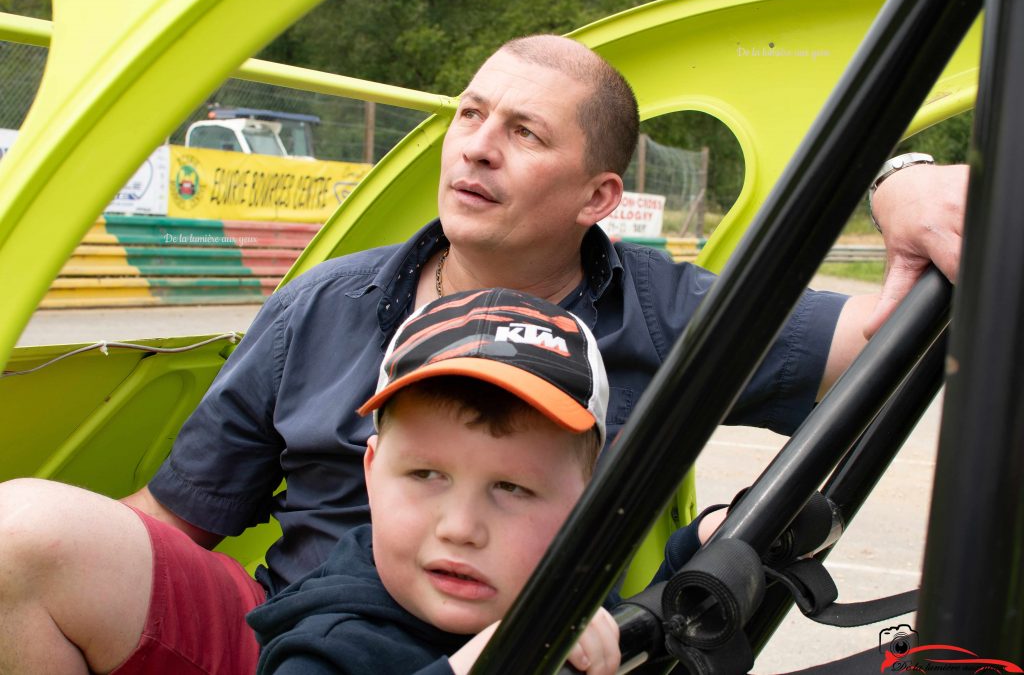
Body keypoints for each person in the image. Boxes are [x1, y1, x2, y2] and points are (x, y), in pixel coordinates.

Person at [0, 34, 967, 674]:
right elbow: (175, 518)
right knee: (20, 534)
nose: (475, 147)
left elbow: (894, 346)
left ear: (597, 196)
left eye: (523, 132)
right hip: (303, 639)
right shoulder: (324, 302)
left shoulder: (671, 311)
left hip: (541, 646)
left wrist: (903, 184)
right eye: (469, 115)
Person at [247, 287, 723, 674]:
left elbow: (622, 642)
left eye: (511, 487)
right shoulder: (325, 651)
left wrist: (697, 552)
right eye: (426, 474)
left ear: (588, 503)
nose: (460, 528)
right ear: (371, 473)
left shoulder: (555, 587)